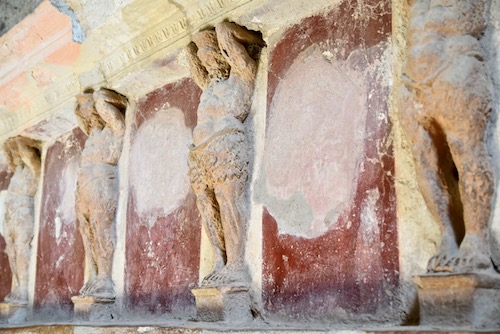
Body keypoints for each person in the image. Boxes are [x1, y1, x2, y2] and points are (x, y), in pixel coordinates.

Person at [401, 0, 494, 273]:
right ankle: (448, 237)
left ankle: (477, 240)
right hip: (412, 75)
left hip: (456, 61)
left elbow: (473, 20)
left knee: (466, 150)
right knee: (423, 159)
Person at [186, 22, 265, 287]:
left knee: (228, 202)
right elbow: (190, 56)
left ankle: (236, 266)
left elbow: (226, 34)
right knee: (207, 207)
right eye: (204, 59)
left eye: (212, 56)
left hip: (227, 145)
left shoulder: (241, 74)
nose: (208, 62)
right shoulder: (208, 87)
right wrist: (194, 42)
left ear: (224, 54)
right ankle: (221, 261)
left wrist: (221, 33)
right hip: (201, 153)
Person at [74, 88, 126, 299]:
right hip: (84, 189)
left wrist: (96, 99)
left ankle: (104, 278)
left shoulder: (112, 130)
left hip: (102, 184)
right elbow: (78, 115)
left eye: (90, 109)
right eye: (84, 111)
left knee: (102, 228)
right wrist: (83, 103)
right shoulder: (90, 139)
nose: (86, 113)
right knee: (88, 232)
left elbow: (106, 104)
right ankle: (94, 275)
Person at [3, 136, 41, 303]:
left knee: (21, 248)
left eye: (16, 153)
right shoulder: (16, 173)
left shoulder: (31, 169)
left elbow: (31, 158)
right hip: (11, 216)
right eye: (13, 154)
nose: (14, 155)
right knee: (11, 250)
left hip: (23, 213)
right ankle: (19, 285)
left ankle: (24, 288)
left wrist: (18, 142)